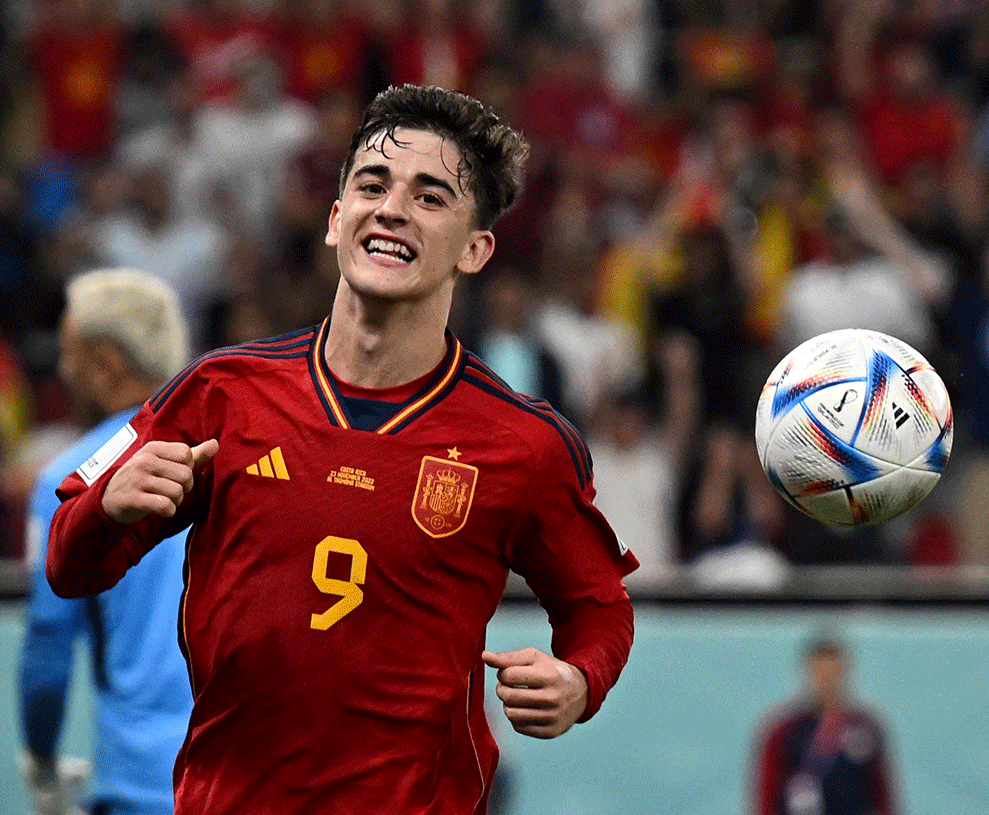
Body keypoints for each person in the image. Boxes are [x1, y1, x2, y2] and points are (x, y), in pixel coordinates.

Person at [46, 84, 639, 815]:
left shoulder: (523, 442)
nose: (391, 207)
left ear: (476, 248)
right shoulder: (217, 392)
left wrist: (579, 682)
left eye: (430, 197)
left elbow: (600, 608)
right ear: (336, 219)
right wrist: (107, 503)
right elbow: (68, 562)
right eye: (372, 184)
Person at [19, 269, 193, 815]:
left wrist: (41, 761)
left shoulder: (70, 481)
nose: (63, 374)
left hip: (142, 784)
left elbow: (49, 649)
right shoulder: (237, 455)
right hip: (244, 780)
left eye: (70, 355)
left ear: (106, 361)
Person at [753, 637, 900, 815]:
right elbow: (767, 798)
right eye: (822, 672)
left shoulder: (866, 727)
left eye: (834, 671)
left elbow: (881, 795)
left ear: (846, 671)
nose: (828, 679)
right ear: (809, 672)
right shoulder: (784, 731)